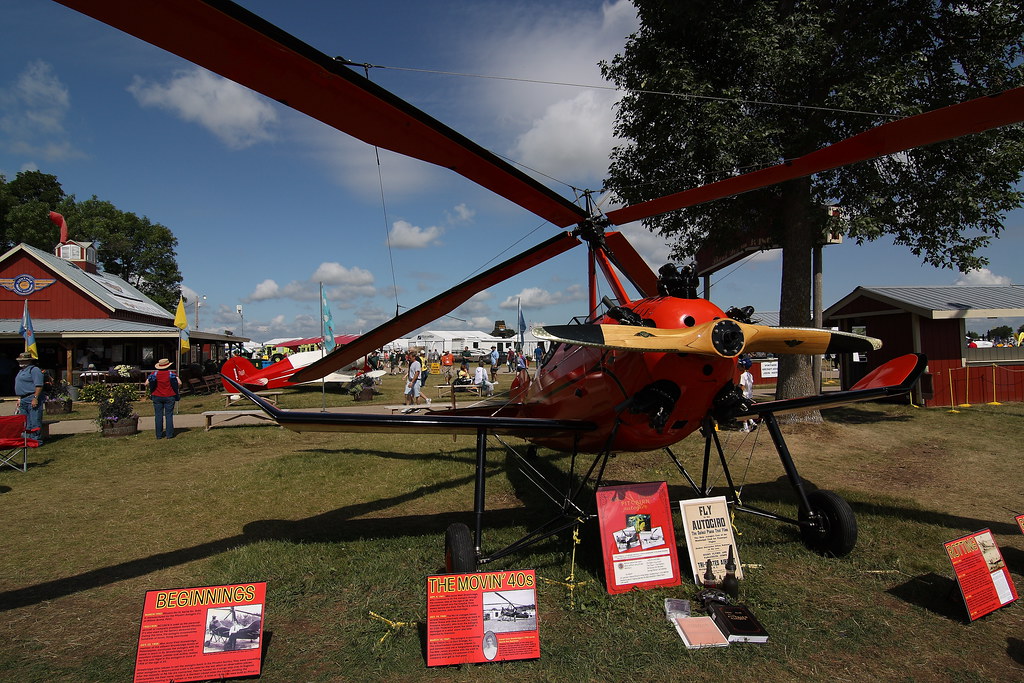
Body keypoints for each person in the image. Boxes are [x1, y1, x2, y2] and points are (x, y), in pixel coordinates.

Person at [14, 352, 44, 443]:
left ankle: (36, 440)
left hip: (32, 397)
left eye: (23, 360)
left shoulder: (34, 370)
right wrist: (20, 398)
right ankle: (27, 440)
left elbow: (39, 385)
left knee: (34, 420)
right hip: (23, 398)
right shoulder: (21, 371)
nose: (20, 362)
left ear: (29, 361)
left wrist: (35, 398)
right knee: (25, 421)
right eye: (19, 360)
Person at [147, 359, 180, 439]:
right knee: (169, 415)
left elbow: (146, 383)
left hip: (157, 396)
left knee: (158, 415)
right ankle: (169, 434)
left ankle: (159, 435)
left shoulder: (154, 374)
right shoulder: (171, 374)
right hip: (169, 395)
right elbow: (179, 382)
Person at [739, 358, 755, 432]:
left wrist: (740, 394)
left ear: (744, 367)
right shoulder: (750, 375)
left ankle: (746, 427)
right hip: (749, 395)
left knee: (743, 411)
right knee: (746, 410)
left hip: (744, 395)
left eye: (740, 365)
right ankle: (751, 422)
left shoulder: (742, 375)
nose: (738, 366)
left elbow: (742, 386)